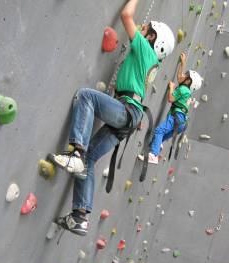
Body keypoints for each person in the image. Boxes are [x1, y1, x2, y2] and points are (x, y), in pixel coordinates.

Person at [48, 0, 175, 235]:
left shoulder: (146, 51)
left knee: (86, 96)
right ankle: (80, 216)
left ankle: (75, 152)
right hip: (130, 116)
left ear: (152, 40)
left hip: (127, 110)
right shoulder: (150, 60)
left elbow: (127, 16)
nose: (142, 27)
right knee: (90, 160)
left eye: (147, 29)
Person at [138, 52, 203, 164]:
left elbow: (171, 99)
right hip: (181, 122)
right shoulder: (186, 90)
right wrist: (182, 64)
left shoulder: (182, 90)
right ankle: (157, 147)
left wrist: (172, 88)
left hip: (176, 118)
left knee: (159, 131)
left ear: (188, 82)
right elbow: (179, 78)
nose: (183, 76)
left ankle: (153, 155)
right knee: (161, 135)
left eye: (186, 76)